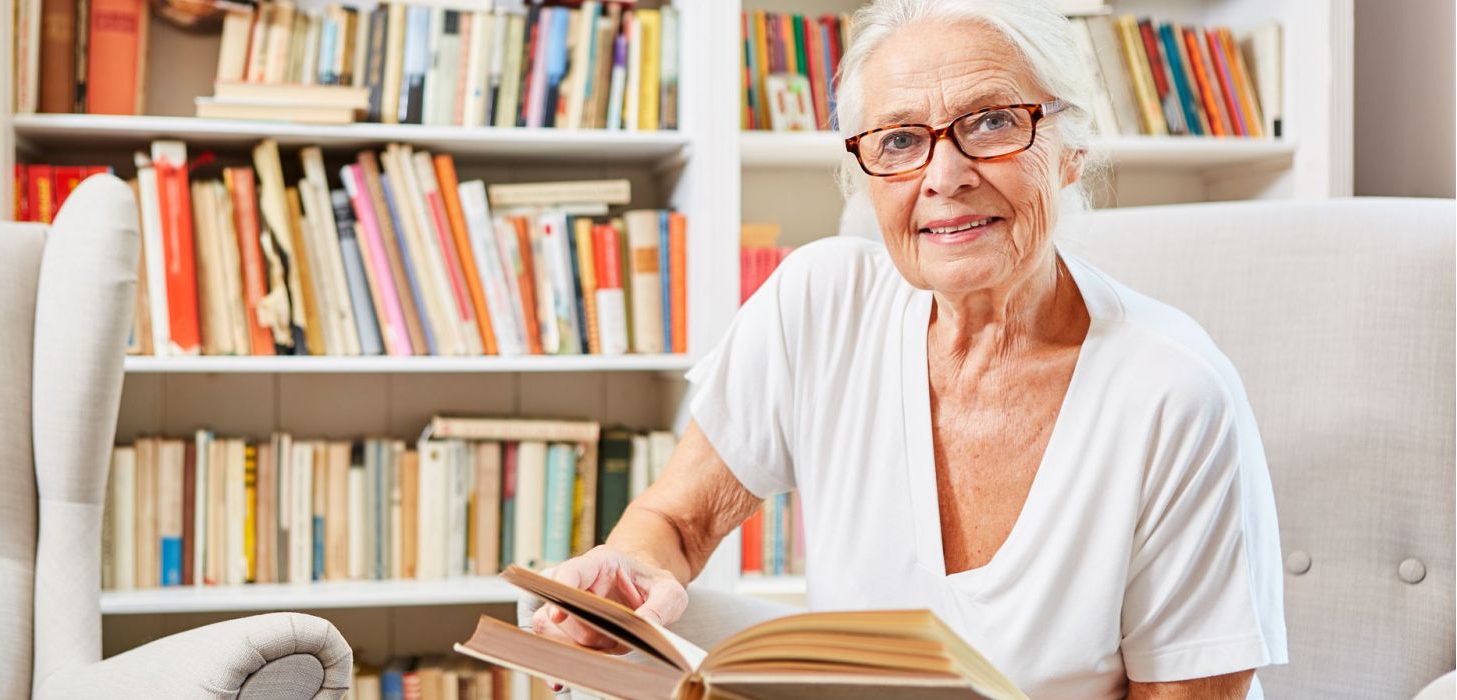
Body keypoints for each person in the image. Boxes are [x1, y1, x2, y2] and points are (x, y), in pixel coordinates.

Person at [529, 1, 1288, 697]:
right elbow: (679, 522)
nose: (945, 177)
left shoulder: (1174, 392)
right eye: (899, 140)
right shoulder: (818, 303)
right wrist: (629, 578)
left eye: (991, 122)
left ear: (1070, 149)